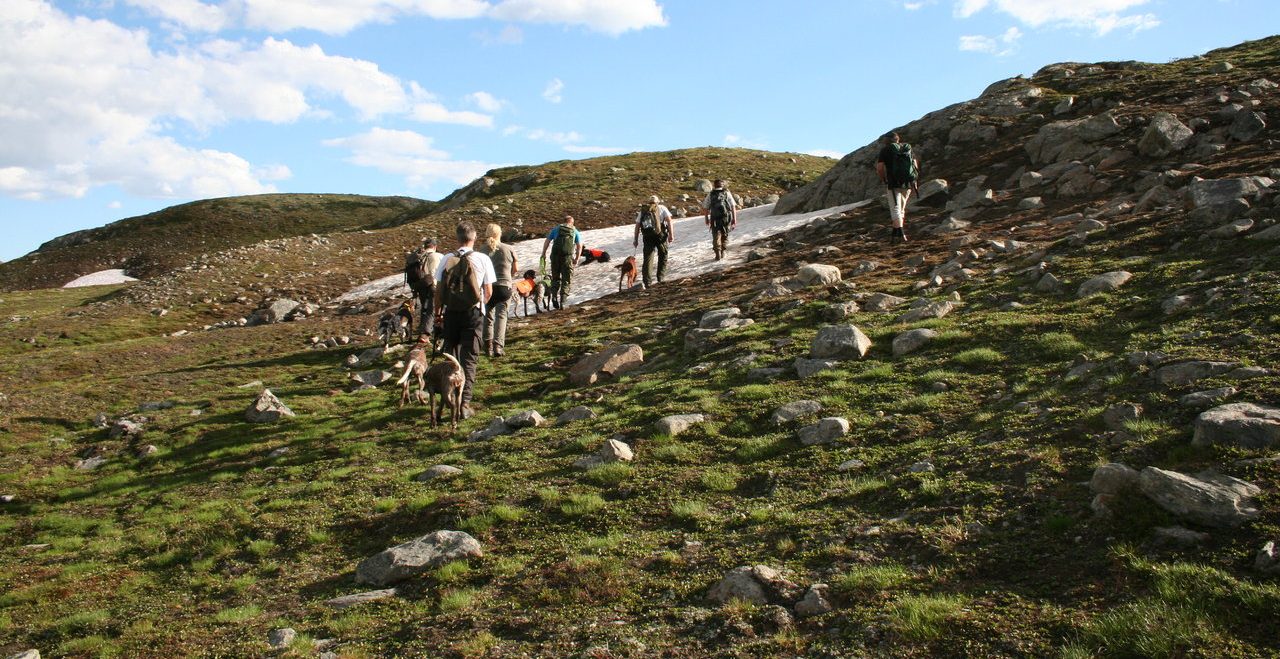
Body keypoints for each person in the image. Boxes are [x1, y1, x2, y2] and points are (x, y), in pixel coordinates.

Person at [433, 221, 497, 419]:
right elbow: (488, 291)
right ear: (474, 238)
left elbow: (439, 290)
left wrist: (437, 314)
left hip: (451, 313)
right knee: (469, 359)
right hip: (473, 314)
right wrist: (481, 307)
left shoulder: (446, 259)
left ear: (457, 237)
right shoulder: (483, 258)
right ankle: (465, 403)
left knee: (450, 358)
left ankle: (449, 398)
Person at [477, 223, 517, 358]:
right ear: (500, 234)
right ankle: (498, 347)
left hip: (488, 287)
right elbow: (515, 268)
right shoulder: (509, 248)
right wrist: (509, 278)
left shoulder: (481, 250)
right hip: (504, 286)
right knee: (502, 315)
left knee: (488, 316)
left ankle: (487, 346)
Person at [875, 131, 920, 243]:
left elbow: (880, 168)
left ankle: (901, 234)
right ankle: (895, 235)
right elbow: (914, 165)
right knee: (901, 209)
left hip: (893, 183)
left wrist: (884, 179)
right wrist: (914, 181)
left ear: (887, 140)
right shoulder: (907, 148)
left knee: (895, 208)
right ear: (897, 139)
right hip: (908, 183)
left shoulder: (886, 150)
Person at [540, 215, 582, 309]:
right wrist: (577, 258)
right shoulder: (574, 231)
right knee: (566, 279)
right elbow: (579, 246)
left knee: (555, 278)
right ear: (572, 222)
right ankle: (563, 301)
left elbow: (547, 241)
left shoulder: (556, 229)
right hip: (567, 258)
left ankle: (554, 296)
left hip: (555, 257)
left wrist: (543, 253)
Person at [632, 195, 674, 289]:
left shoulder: (643, 210)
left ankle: (647, 282)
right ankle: (660, 277)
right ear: (657, 202)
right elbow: (669, 221)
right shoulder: (662, 208)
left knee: (648, 259)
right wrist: (671, 235)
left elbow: (637, 225)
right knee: (663, 254)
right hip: (660, 235)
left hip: (647, 236)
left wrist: (635, 239)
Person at [404, 237, 443, 337]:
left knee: (424, 307)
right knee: (432, 308)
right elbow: (436, 272)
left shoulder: (419, 256)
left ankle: (422, 328)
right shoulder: (436, 256)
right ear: (435, 246)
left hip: (420, 285)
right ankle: (426, 332)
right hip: (432, 285)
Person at [702, 180, 738, 261]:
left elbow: (705, 207)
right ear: (722, 185)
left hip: (714, 218)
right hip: (726, 218)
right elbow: (733, 206)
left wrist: (706, 219)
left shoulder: (710, 194)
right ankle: (722, 251)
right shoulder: (727, 193)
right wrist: (734, 219)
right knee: (725, 235)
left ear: (714, 185)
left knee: (716, 235)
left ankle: (717, 252)